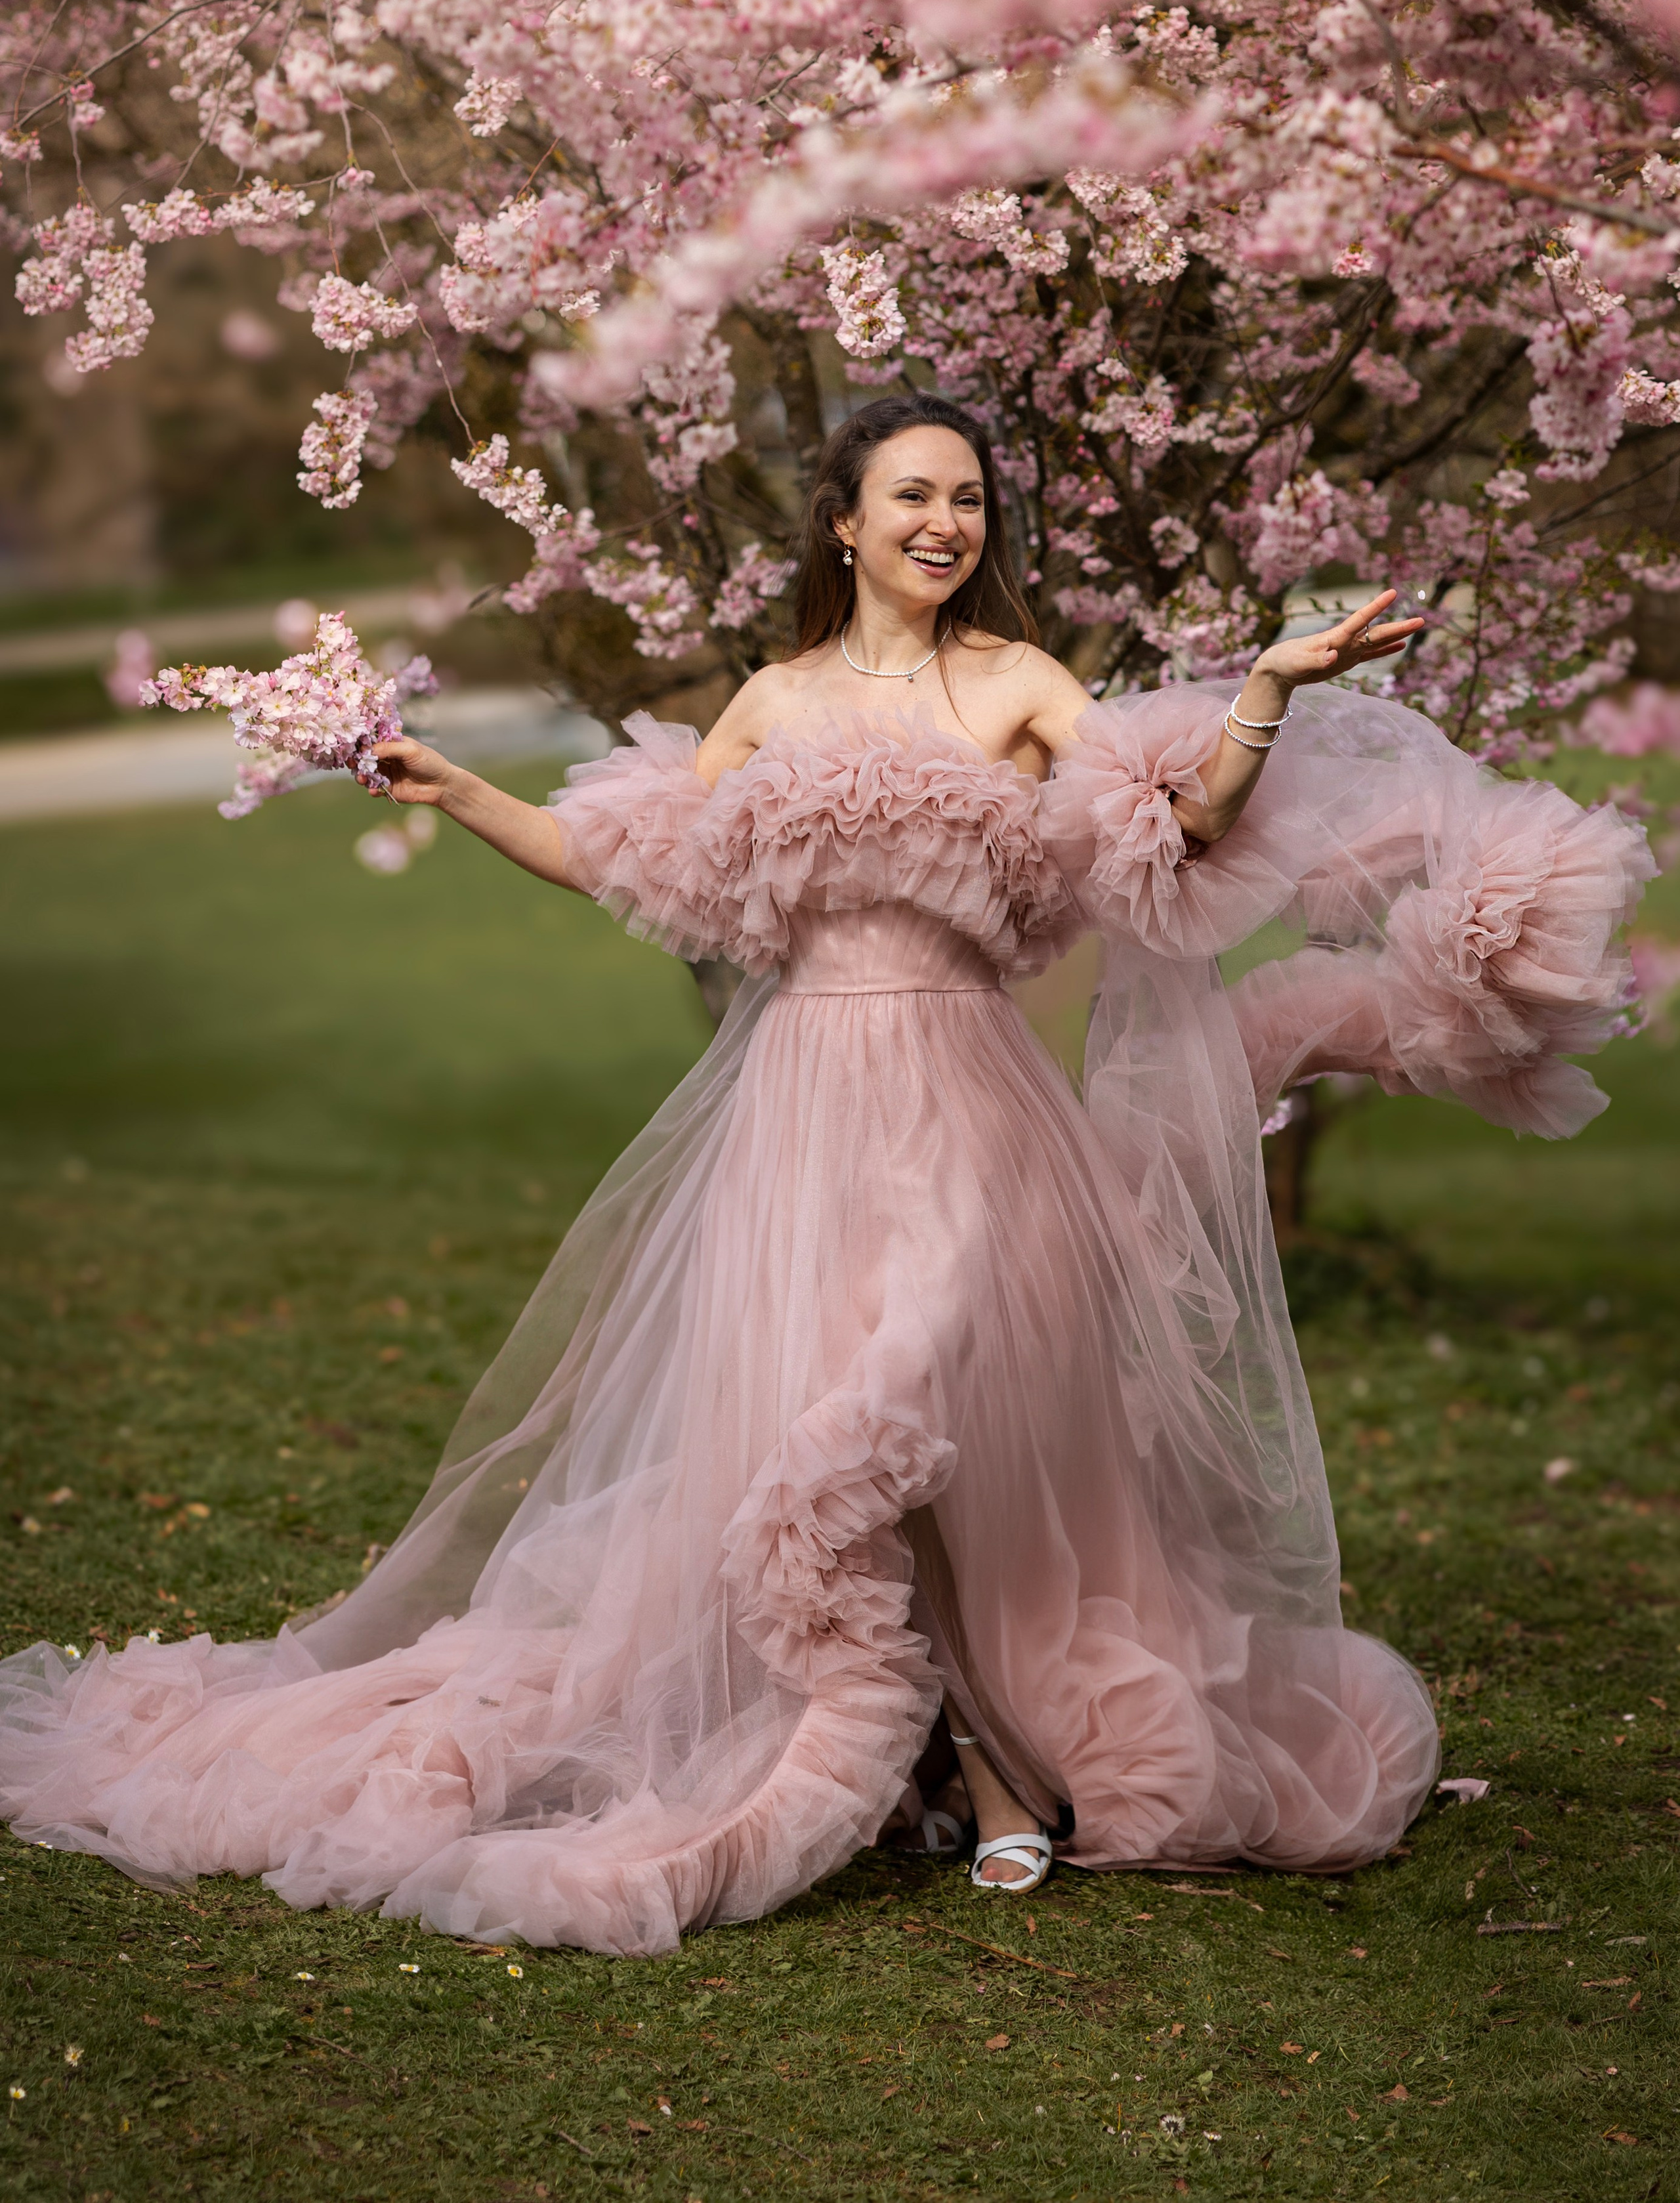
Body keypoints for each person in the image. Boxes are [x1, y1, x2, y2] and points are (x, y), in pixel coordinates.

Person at [0, 394, 1649, 1948]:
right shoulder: (774, 703)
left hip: (964, 1097)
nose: (945, 521)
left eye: (967, 500)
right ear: (844, 524)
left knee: (912, 1388)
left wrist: (1267, 689)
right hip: (802, 1109)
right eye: (913, 496)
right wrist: (452, 783)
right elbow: (621, 857)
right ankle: (943, 1756)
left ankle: (993, 1756)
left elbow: (1179, 829)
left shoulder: (1015, 682)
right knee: (841, 1412)